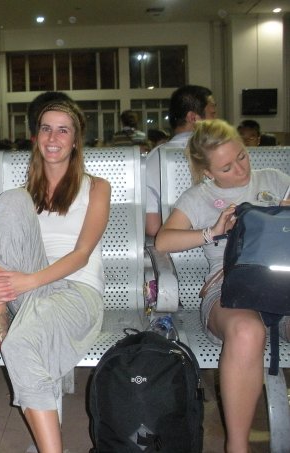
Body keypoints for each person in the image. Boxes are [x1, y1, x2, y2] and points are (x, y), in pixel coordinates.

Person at [0, 98, 109, 452]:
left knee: (19, 345)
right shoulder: (24, 195)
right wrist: (0, 289)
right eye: (46, 129)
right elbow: (6, 251)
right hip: (27, 290)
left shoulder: (97, 187)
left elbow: (81, 254)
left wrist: (25, 282)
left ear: (76, 140)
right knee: (9, 200)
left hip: (76, 290)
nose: (53, 138)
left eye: (63, 130)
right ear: (35, 137)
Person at [155, 119, 290, 453]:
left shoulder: (275, 179)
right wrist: (212, 232)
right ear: (207, 172)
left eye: (242, 156)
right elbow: (163, 241)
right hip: (229, 286)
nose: (241, 170)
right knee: (246, 331)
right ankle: (237, 446)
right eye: (227, 167)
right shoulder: (199, 197)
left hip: (283, 280)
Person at [145, 85, 217, 236]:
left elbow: (152, 228)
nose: (216, 120)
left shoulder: (154, 159)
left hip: (175, 247)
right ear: (193, 117)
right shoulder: (225, 153)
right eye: (212, 113)